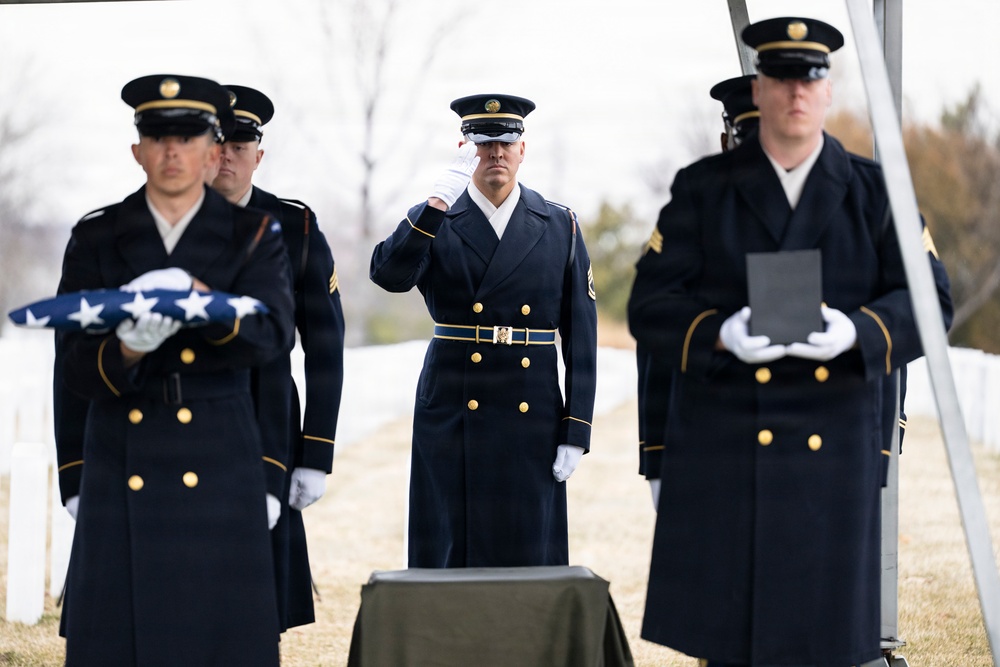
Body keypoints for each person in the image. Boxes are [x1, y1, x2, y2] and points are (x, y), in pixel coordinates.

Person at [627, 18, 952, 667]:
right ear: (759, 88)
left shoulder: (877, 192)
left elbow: (930, 301)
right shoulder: (702, 189)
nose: (796, 92)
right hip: (729, 449)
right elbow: (650, 305)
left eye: (810, 77)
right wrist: (721, 334)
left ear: (828, 91)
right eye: (780, 78)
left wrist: (856, 332)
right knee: (735, 646)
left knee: (823, 642)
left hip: (831, 457)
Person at [54, 74, 295, 666]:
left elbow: (273, 338)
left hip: (220, 457)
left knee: (220, 643)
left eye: (186, 138)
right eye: (157, 137)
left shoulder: (254, 234)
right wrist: (128, 347)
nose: (171, 152)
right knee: (119, 643)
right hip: (121, 454)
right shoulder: (97, 235)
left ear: (212, 152)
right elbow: (73, 367)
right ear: (137, 150)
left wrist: (202, 302)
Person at [370, 93, 598, 568]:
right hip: (453, 405)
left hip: (531, 409)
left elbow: (582, 336)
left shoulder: (561, 224)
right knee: (451, 542)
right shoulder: (436, 217)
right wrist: (436, 203)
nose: (495, 153)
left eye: (506, 142)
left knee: (527, 548)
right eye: (483, 143)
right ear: (464, 149)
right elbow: (389, 276)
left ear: (522, 150)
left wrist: (576, 428)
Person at [212, 84, 345, 631]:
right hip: (184, 416)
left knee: (260, 593)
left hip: (266, 419)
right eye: (217, 145)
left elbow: (326, 348)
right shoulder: (163, 221)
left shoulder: (296, 226)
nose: (226, 157)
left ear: (258, 156)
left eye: (239, 148)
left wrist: (316, 453)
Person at [638, 74, 761, 510]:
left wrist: (887, 437)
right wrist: (656, 456)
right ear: (727, 140)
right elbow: (656, 340)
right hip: (711, 433)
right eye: (748, 136)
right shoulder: (690, 219)